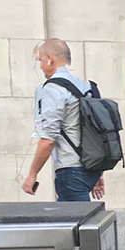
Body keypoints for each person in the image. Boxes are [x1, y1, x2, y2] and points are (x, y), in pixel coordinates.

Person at [22, 38, 105, 202]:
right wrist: (98, 174)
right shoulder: (88, 88)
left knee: (74, 225)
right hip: (91, 168)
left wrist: (32, 175)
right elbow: (97, 132)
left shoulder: (52, 89)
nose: (40, 65)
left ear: (49, 58)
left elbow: (48, 139)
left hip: (71, 171)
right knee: (70, 223)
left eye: (40, 60)